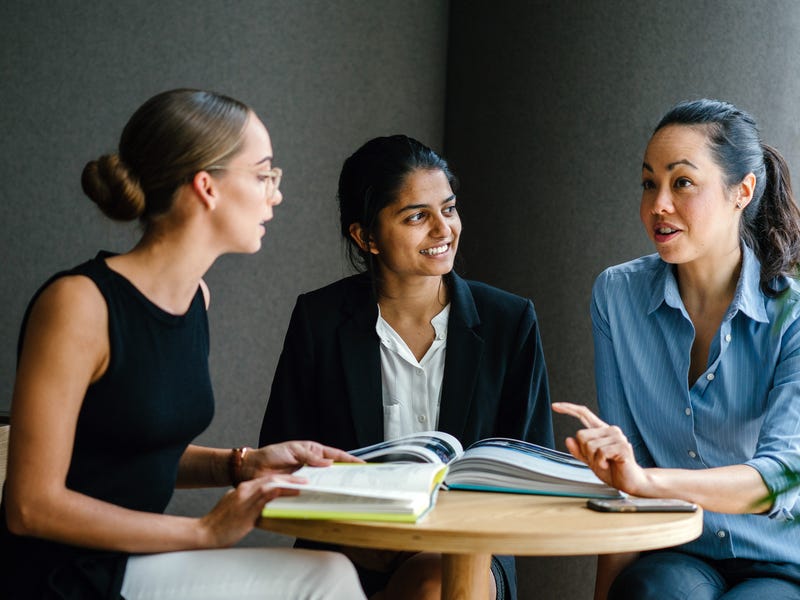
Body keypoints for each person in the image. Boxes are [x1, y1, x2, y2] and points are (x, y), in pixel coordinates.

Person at [0, 88, 367, 600]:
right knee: (326, 579)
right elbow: (29, 506)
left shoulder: (196, 298)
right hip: (66, 577)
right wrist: (204, 532)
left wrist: (243, 464)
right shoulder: (78, 305)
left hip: (137, 565)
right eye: (263, 175)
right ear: (206, 187)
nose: (275, 194)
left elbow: (131, 452)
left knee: (328, 573)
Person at [259, 134, 554, 600]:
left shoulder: (509, 321)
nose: (443, 229)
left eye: (449, 209)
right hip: (348, 550)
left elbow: (532, 469)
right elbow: (280, 458)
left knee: (434, 586)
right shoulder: (319, 319)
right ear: (366, 236)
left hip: (466, 554)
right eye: (417, 216)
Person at [553, 98, 800, 600]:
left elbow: (777, 479)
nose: (658, 204)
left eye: (682, 182)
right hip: (679, 550)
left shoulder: (791, 316)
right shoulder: (616, 296)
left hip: (783, 560)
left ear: (742, 191)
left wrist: (646, 482)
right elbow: (626, 474)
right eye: (649, 183)